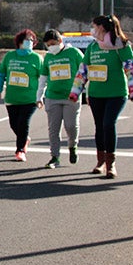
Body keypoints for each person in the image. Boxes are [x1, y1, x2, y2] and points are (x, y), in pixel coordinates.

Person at [69, 15, 133, 179]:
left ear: (102, 27)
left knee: (109, 124)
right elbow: (82, 71)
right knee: (99, 127)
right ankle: (100, 162)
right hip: (96, 94)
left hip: (116, 94)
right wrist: (75, 92)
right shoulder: (93, 46)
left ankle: (111, 164)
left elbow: (131, 69)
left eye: (94, 26)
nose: (92, 29)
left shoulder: (121, 46)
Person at [0, 29, 44, 162]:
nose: (30, 42)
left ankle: (20, 150)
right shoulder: (10, 56)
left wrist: (41, 95)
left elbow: (43, 78)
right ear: (20, 41)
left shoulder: (36, 58)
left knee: (23, 123)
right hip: (12, 97)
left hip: (30, 98)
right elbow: (1, 73)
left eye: (32, 40)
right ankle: (25, 138)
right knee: (13, 124)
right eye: (28, 40)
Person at [39, 29, 84, 168]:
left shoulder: (74, 53)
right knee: (53, 129)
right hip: (52, 96)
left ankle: (72, 146)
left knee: (71, 126)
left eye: (53, 43)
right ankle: (54, 157)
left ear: (60, 41)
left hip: (71, 97)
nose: (50, 47)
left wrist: (84, 90)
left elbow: (84, 71)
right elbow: (43, 78)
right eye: (48, 45)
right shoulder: (48, 57)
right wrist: (39, 96)